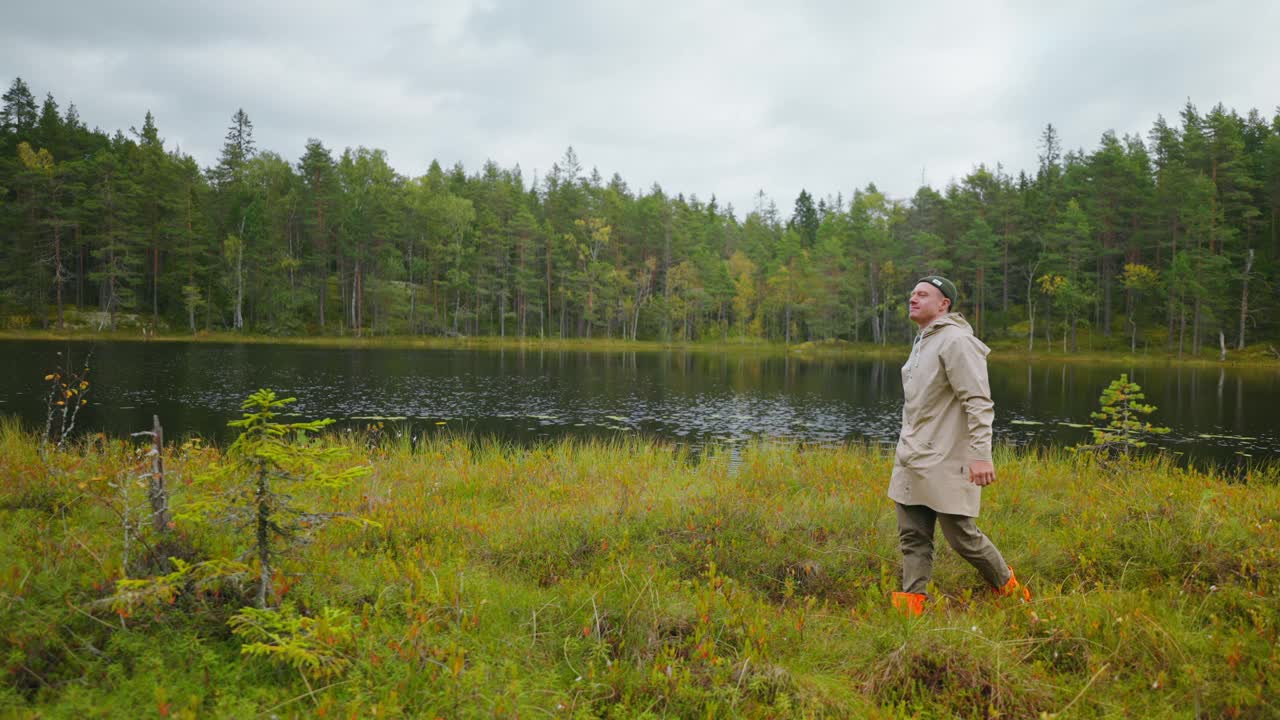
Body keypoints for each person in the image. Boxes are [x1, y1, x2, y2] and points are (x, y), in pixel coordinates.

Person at [888, 275, 1029, 615]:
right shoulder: (924, 340)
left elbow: (979, 402)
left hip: (945, 457)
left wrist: (981, 456)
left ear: (944, 304)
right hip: (912, 455)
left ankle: (1012, 593)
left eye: (923, 294)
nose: (913, 298)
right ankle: (912, 608)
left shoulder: (957, 341)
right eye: (912, 294)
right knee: (912, 536)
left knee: (962, 536)